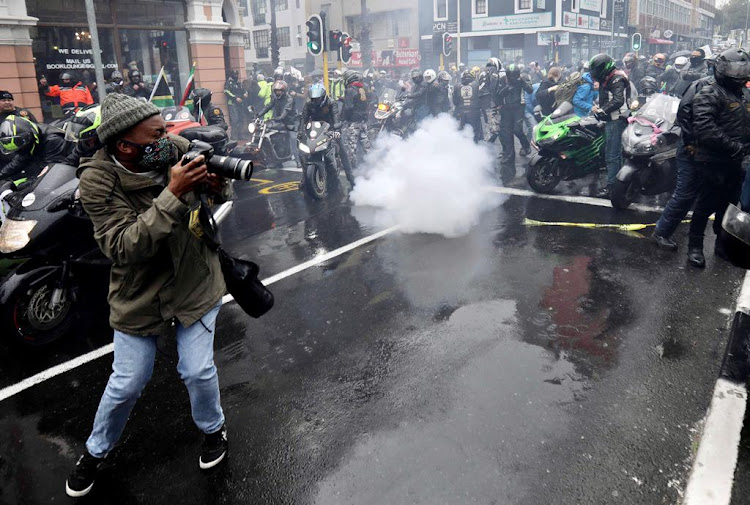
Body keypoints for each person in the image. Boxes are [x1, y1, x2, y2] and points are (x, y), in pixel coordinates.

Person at [64, 93, 231, 498]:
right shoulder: (97, 180)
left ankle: (213, 431)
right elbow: (122, 246)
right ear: (124, 145)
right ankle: (95, 452)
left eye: (164, 129)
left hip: (193, 278)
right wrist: (173, 192)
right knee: (127, 382)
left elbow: (218, 197)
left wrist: (215, 183)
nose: (166, 137)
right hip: (139, 293)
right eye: (155, 133)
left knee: (197, 370)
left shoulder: (172, 148)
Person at [681, 49, 750, 267]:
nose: (738, 76)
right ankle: (694, 247)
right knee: (704, 205)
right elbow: (704, 127)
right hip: (712, 160)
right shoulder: (709, 93)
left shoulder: (743, 94)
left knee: (728, 204)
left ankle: (721, 244)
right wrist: (733, 147)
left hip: (736, 160)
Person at [650, 75, 714, 253]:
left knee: (713, 196)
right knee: (686, 193)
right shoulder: (701, 85)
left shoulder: (737, 91)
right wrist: (691, 143)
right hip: (693, 149)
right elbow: (684, 114)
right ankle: (663, 232)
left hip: (719, 152)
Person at [589, 53, 631, 198]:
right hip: (613, 119)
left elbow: (618, 100)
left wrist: (602, 110)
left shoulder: (616, 78)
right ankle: (619, 184)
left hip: (616, 120)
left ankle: (612, 187)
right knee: (616, 154)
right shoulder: (610, 76)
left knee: (612, 155)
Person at [297, 83, 349, 190]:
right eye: (314, 99)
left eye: (318, 98)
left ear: (323, 96)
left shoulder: (331, 103)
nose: (316, 101)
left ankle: (350, 175)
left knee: (342, 150)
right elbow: (304, 118)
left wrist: (336, 129)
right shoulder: (308, 103)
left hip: (330, 128)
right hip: (315, 129)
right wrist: (301, 131)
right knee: (303, 151)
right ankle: (304, 176)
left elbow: (335, 117)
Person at [0, 114, 68, 181]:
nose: (20, 151)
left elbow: (51, 169)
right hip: (47, 172)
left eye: (21, 148)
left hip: (66, 175)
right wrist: (1, 175)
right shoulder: (30, 142)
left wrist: (28, 183)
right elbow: (20, 160)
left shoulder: (52, 140)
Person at [495, 64, 534, 175]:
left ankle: (526, 146)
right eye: (510, 76)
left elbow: (530, 90)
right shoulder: (503, 79)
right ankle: (508, 156)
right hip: (506, 108)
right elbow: (498, 94)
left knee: (517, 129)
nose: (512, 78)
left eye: (514, 76)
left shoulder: (523, 78)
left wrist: (522, 82)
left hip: (519, 108)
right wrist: (508, 88)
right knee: (506, 133)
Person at [340, 70, 371, 185]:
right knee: (365, 145)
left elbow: (348, 107)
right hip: (363, 121)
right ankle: (371, 164)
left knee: (351, 146)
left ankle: (353, 169)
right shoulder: (363, 88)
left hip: (353, 122)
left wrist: (342, 119)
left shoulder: (350, 89)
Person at [258, 80, 297, 168]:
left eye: (279, 91)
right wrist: (258, 114)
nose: (278, 92)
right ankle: (276, 160)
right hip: (280, 121)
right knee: (272, 135)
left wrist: (280, 117)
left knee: (293, 139)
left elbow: (286, 110)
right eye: (276, 91)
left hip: (291, 122)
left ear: (284, 91)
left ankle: (298, 160)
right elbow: (268, 106)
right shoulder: (275, 98)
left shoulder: (289, 99)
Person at [453, 70, 482, 143]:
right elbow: (481, 98)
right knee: (474, 130)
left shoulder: (457, 86)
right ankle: (475, 147)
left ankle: (464, 147)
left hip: (461, 111)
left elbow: (455, 101)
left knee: (462, 130)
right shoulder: (476, 84)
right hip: (474, 111)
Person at [479, 57, 503, 143]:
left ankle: (488, 140)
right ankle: (488, 143)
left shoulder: (482, 70)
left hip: (481, 99)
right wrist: (497, 101)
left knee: (487, 121)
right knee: (493, 123)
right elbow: (493, 85)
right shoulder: (493, 70)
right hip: (489, 98)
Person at [224, 70, 248, 140]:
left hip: (240, 103)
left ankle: (241, 135)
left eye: (237, 74)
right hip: (232, 103)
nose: (236, 76)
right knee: (235, 120)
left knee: (241, 119)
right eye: (234, 74)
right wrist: (235, 98)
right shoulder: (228, 83)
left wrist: (245, 93)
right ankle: (234, 136)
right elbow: (226, 92)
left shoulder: (238, 83)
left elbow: (244, 89)